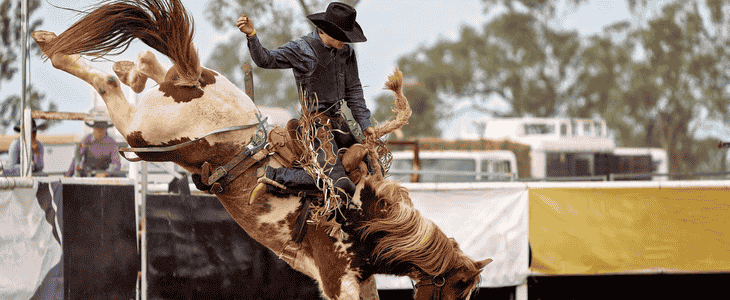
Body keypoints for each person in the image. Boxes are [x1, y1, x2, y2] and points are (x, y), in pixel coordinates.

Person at [237, 2, 375, 201]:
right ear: (326, 31)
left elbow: (353, 90)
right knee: (339, 182)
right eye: (342, 37)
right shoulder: (302, 49)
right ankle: (274, 175)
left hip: (339, 124)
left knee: (368, 167)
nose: (346, 42)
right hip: (315, 125)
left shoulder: (347, 53)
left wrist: (365, 123)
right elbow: (266, 60)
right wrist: (252, 35)